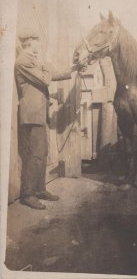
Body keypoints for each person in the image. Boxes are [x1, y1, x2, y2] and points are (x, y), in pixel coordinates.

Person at [15, 27, 80, 210]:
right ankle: (28, 195)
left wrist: (73, 69)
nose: (39, 43)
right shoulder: (23, 61)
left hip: (38, 114)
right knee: (33, 155)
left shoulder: (33, 60)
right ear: (30, 41)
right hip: (31, 115)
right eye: (37, 40)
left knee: (41, 153)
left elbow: (51, 74)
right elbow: (45, 79)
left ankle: (40, 189)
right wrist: (45, 64)